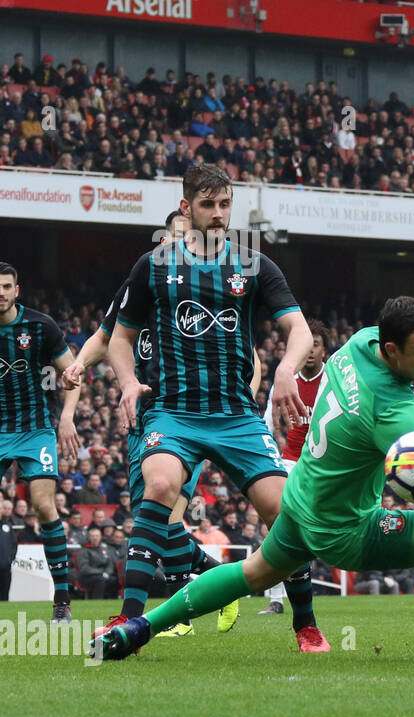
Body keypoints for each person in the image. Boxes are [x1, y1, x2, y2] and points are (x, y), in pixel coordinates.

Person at [97, 297, 414, 662]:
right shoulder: (400, 413)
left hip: (301, 501)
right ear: (394, 352)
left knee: (253, 574)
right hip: (347, 532)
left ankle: (138, 628)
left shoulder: (360, 342)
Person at [103, 165, 323, 650]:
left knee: (285, 511)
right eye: (208, 205)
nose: (219, 214)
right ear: (186, 208)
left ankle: (306, 625)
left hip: (236, 416)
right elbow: (119, 337)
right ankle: (126, 620)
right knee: (159, 485)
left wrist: (286, 369)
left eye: (225, 204)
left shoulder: (255, 265)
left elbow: (300, 330)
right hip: (173, 413)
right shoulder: (154, 265)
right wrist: (127, 382)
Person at [62, 210, 248, 638]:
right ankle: (218, 579)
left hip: (181, 418)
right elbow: (104, 335)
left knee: (164, 515)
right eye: (172, 239)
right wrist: (77, 366)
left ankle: (148, 618)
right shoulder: (140, 289)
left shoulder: (203, 295)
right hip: (139, 421)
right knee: (158, 525)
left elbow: (245, 351)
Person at [0, 261, 76, 621]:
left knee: (43, 506)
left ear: (17, 290)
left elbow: (73, 373)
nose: (0, 293)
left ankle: (62, 602)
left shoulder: (40, 325)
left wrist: (66, 418)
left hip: (35, 430)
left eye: (6, 286)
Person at [259, 318, 328, 615]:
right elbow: (267, 423)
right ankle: (276, 598)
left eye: (316, 344)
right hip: (290, 460)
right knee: (279, 526)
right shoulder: (287, 380)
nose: (310, 350)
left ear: (325, 350)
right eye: (306, 344)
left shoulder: (334, 380)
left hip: (325, 466)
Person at [75, 526, 119, 599]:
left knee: (115, 580)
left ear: (100, 537)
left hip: (103, 575)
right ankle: (97, 600)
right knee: (100, 580)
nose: (95, 538)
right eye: (93, 536)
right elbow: (84, 568)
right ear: (89, 537)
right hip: (87, 577)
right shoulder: (84, 550)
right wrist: (101, 573)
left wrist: (107, 573)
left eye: (97, 536)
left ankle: (113, 602)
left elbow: (110, 564)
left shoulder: (104, 548)